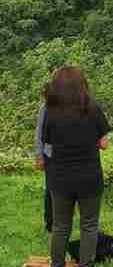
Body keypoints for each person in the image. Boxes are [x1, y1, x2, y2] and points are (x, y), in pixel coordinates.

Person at [41, 67, 111, 267]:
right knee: (89, 225)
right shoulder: (93, 108)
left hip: (60, 177)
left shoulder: (50, 112)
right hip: (89, 177)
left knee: (60, 227)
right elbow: (104, 144)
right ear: (82, 85)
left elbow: (47, 143)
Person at [34, 86, 53, 234]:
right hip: (50, 154)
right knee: (50, 188)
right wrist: (39, 156)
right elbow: (39, 134)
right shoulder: (44, 109)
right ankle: (49, 222)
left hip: (67, 156)